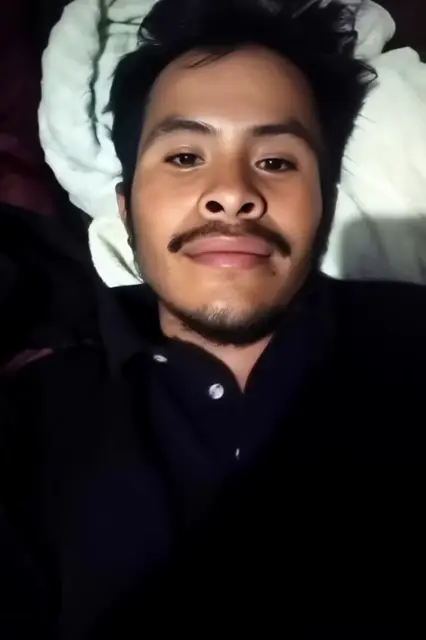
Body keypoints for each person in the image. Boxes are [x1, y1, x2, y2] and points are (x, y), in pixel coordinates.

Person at [1, 0, 425, 637]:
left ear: (325, 204)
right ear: (125, 208)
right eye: (184, 157)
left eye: (277, 161)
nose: (231, 193)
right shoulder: (29, 426)